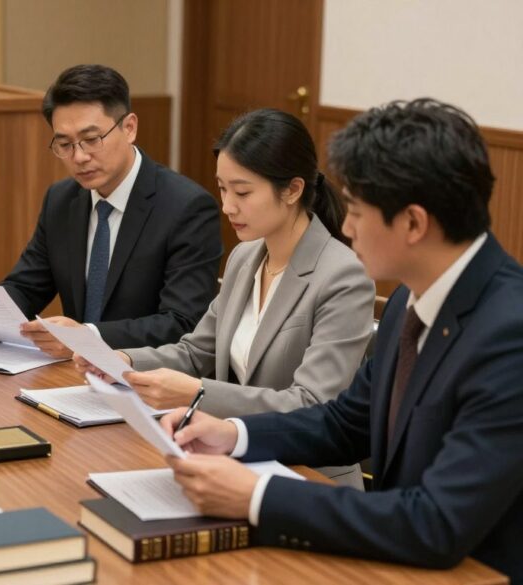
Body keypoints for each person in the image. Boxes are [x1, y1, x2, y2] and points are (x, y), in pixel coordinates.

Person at [160, 99, 523, 580]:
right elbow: (346, 423)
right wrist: (234, 435)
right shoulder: (406, 303)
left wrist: (257, 496)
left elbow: (436, 522)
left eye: (355, 210)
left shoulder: (509, 333)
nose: (346, 228)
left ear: (414, 223)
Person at [76, 109, 374, 486]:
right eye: (222, 188)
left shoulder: (342, 276)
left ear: (293, 189)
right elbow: (196, 352)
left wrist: (199, 392)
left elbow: (311, 404)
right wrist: (122, 361)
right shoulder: (245, 257)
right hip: (235, 460)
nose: (228, 206)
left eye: (243, 192)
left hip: (309, 475)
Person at [0, 64, 221, 357]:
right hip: (72, 376)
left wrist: (87, 337)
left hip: (146, 380)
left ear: (129, 128)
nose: (79, 157)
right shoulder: (61, 199)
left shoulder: (186, 207)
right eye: (64, 144)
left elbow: (182, 322)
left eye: (92, 139)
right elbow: (27, 286)